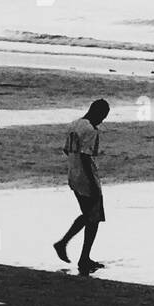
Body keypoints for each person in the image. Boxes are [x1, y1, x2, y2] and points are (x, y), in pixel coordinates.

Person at [53, 99, 111, 275]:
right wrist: (93, 184)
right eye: (102, 116)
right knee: (93, 217)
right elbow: (86, 157)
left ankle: (76, 252)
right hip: (86, 178)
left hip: (73, 175)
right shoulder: (91, 130)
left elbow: (66, 150)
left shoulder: (74, 124)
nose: (102, 121)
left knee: (89, 216)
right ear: (97, 113)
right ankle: (76, 252)